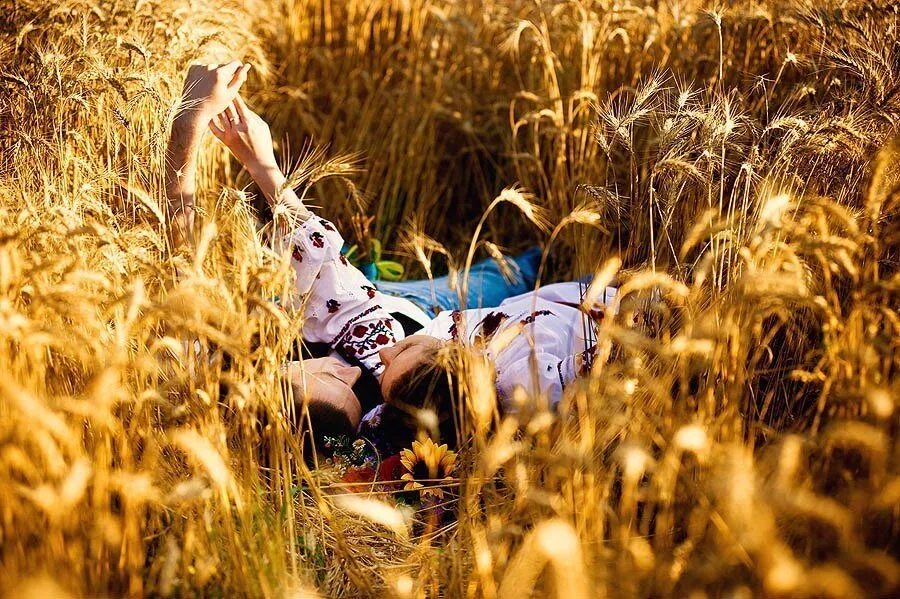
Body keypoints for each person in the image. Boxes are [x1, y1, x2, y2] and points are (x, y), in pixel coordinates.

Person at [163, 62, 543, 451]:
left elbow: (183, 263)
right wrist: (263, 167)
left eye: (331, 382)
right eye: (351, 393)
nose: (348, 375)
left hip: (352, 303)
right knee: (513, 276)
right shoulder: (391, 379)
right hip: (412, 324)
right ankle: (541, 254)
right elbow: (332, 277)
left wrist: (189, 124)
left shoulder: (212, 380)